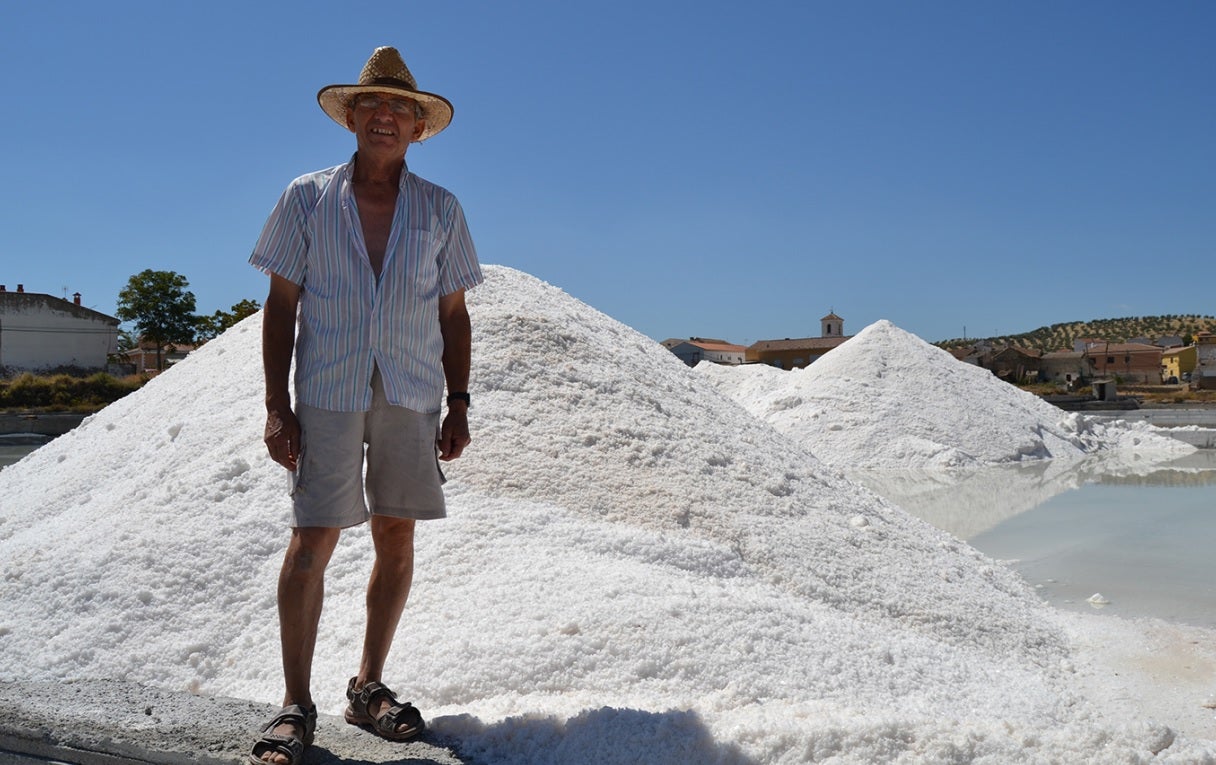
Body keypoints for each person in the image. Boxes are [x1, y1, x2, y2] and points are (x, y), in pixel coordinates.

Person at [246, 46, 482, 765]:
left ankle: (367, 685)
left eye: (401, 108)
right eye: (374, 105)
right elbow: (281, 306)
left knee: (396, 537)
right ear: (352, 117)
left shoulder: (441, 209)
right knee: (312, 538)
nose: (387, 116)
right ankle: (295, 704)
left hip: (412, 392)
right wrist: (275, 405)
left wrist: (461, 401)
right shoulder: (306, 198)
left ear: (418, 128)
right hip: (327, 389)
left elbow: (454, 316)